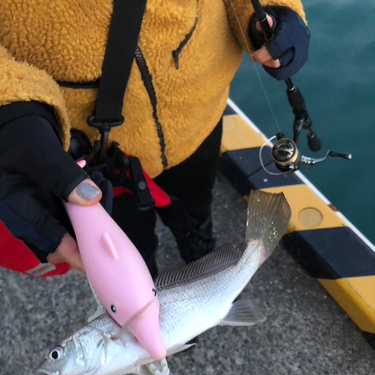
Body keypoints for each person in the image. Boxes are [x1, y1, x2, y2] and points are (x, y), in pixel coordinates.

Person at [0, 0, 309, 279]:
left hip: (196, 120)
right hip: (96, 155)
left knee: (197, 211)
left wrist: (274, 12)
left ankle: (200, 251)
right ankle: (152, 288)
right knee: (130, 254)